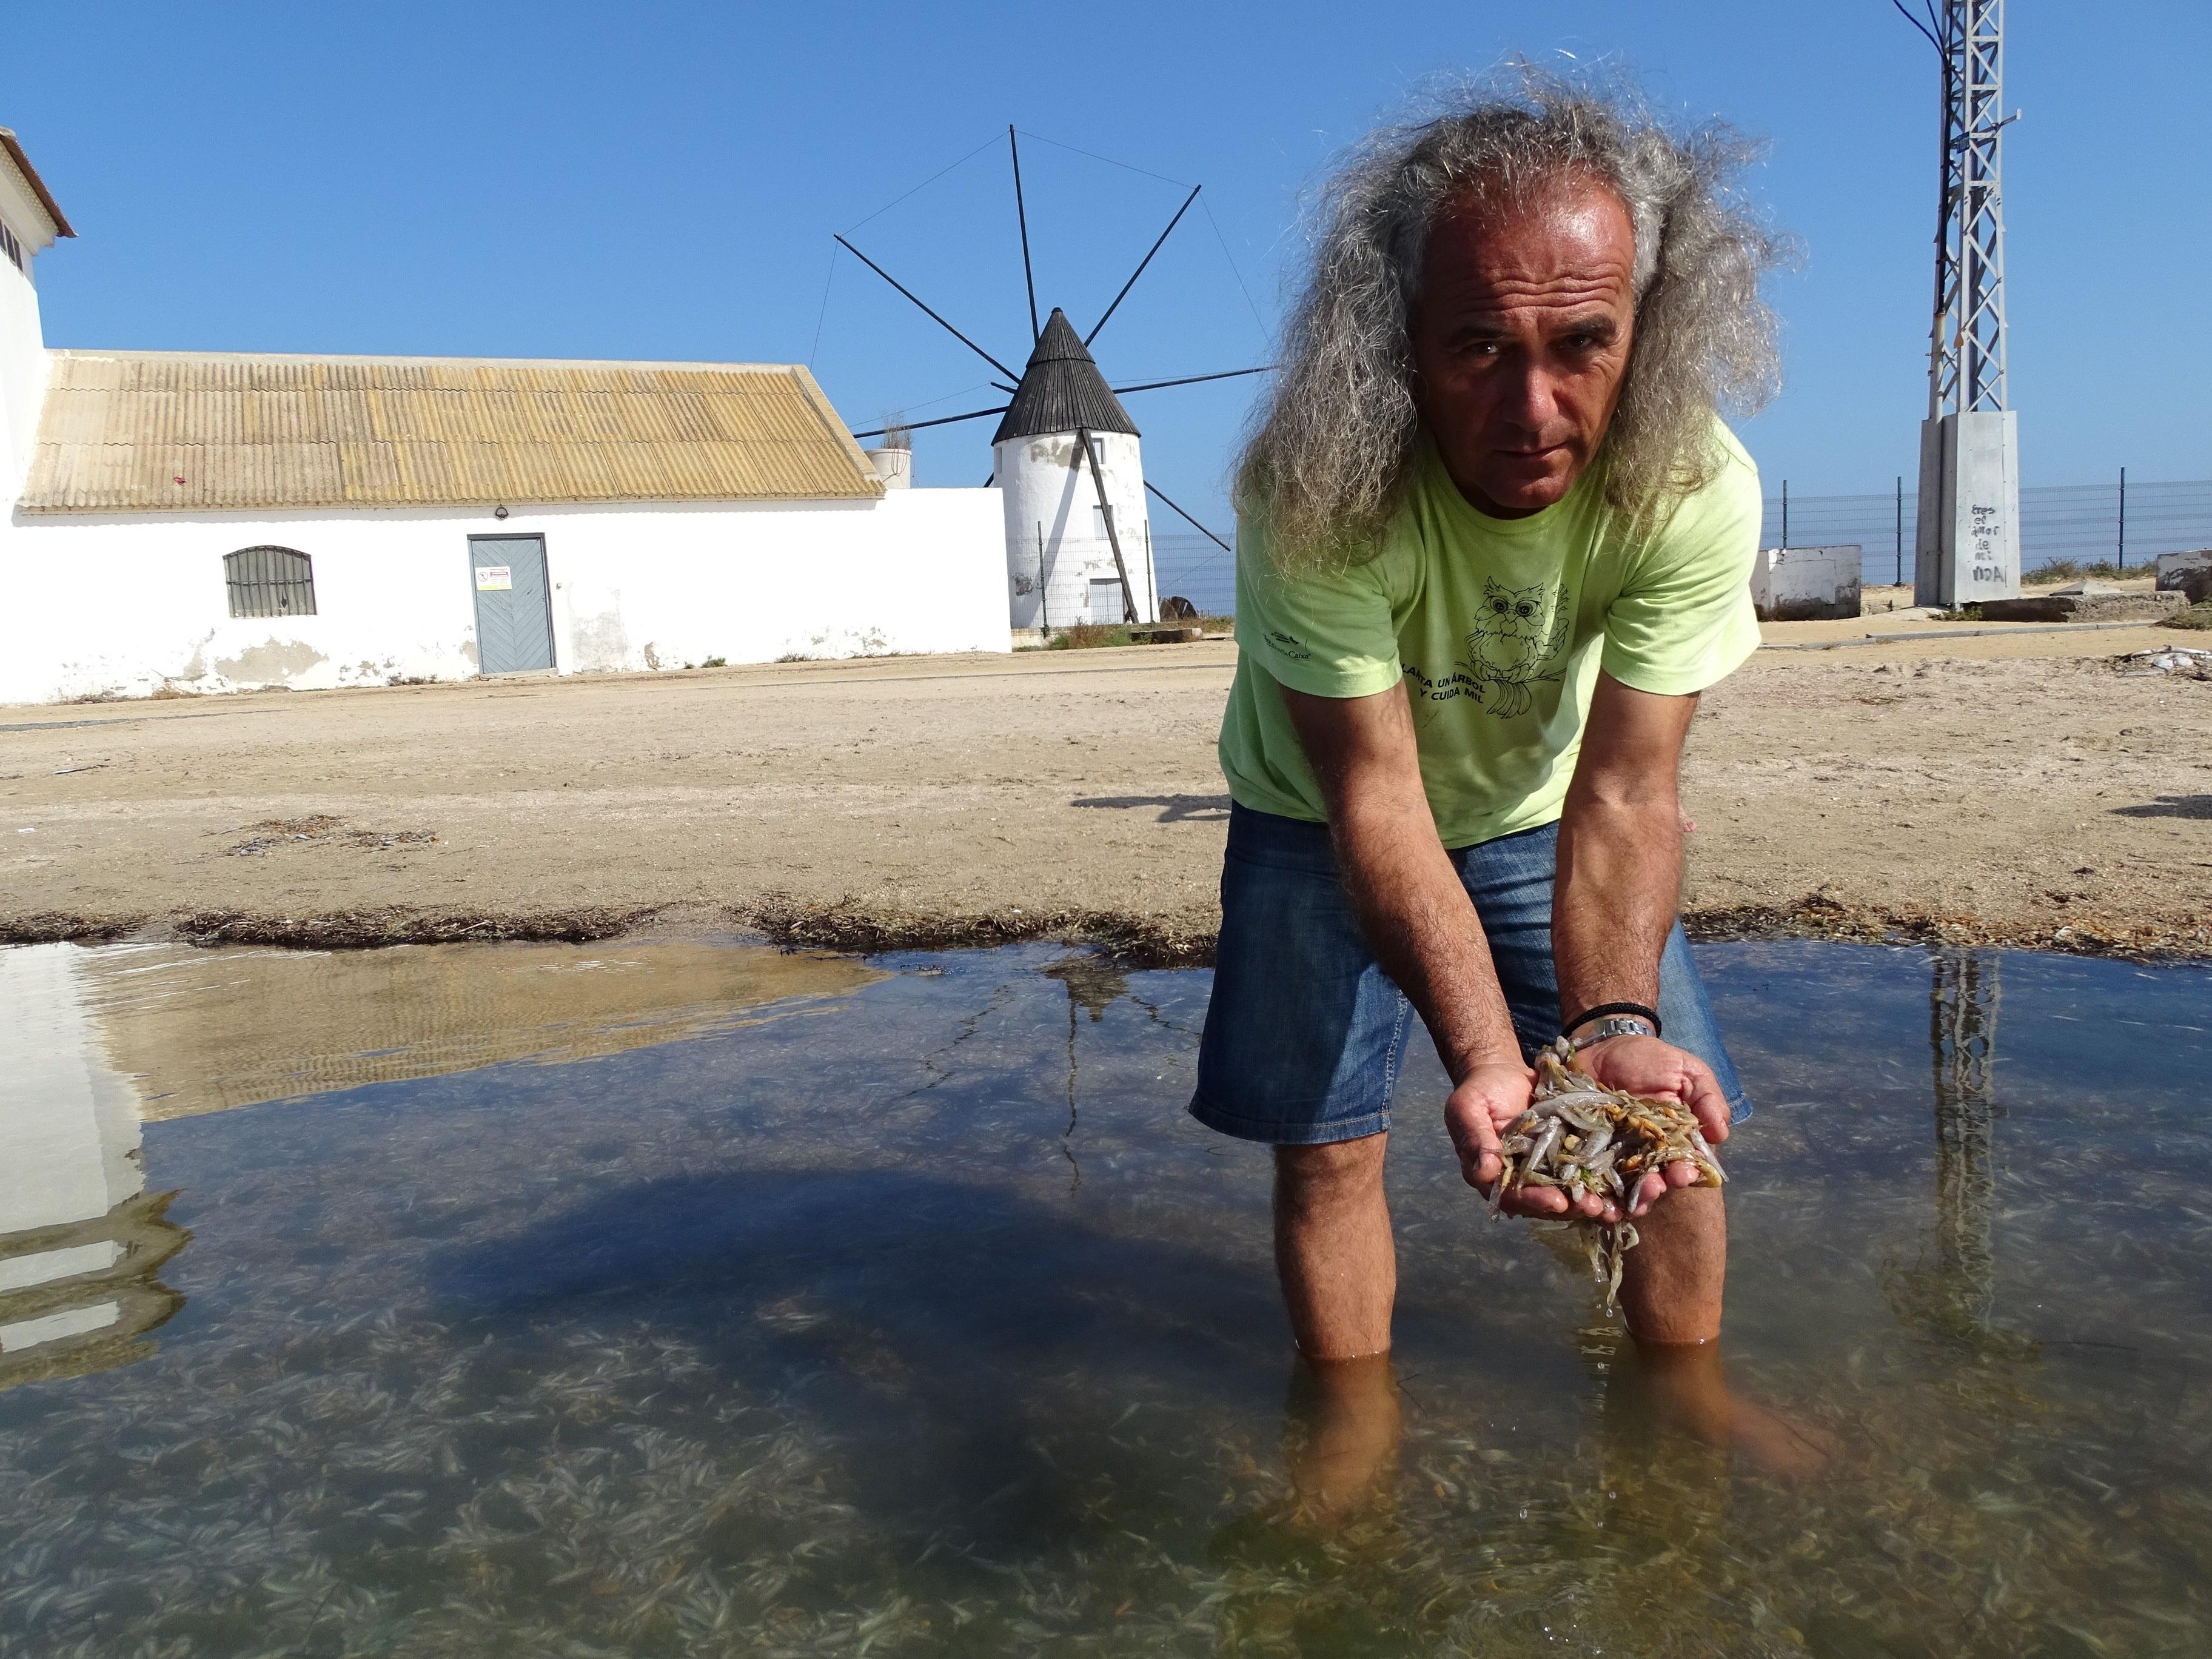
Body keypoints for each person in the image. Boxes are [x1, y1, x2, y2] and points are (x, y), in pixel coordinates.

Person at [1192, 69, 1821, 1478]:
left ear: (1647, 333)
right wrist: (1488, 1061)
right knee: (1329, 1143)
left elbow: (1627, 792)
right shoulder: (1317, 484)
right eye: (1475, 347)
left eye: (1583, 343)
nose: (1533, 405)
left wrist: (1607, 1020)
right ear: (1396, 343)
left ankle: (1684, 1404)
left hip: (1545, 810)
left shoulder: (1694, 483)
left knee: (1671, 1114)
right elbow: (1376, 797)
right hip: (1320, 815)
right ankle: (1351, 1439)